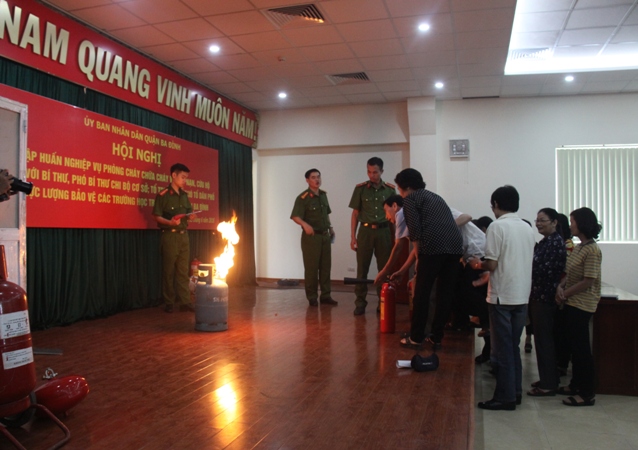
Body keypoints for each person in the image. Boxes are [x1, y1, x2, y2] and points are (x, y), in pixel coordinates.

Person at [470, 185, 535, 411]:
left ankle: (505, 397)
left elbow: (492, 264)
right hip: (521, 295)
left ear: (496, 204)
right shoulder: (526, 227)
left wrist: (476, 264)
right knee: (512, 347)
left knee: (502, 351)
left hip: (502, 297)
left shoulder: (497, 226)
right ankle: (514, 392)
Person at [394, 168, 463, 350]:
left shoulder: (410, 199)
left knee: (422, 294)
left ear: (406, 187)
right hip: (455, 247)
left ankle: (416, 337)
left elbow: (415, 230)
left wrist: (418, 256)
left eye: (399, 188)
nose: (400, 193)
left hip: (433, 247)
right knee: (445, 294)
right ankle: (436, 337)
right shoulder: (436, 197)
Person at [556, 207, 602, 407]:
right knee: (574, 348)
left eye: (572, 221)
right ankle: (575, 384)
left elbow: (588, 280)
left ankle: (586, 392)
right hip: (571, 301)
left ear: (582, 223)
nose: (570, 225)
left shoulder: (592, 250)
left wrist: (565, 293)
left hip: (582, 304)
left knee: (582, 350)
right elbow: (569, 273)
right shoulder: (579, 246)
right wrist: (560, 286)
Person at [349, 157, 396, 315]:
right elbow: (355, 214)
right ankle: (360, 303)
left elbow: (395, 216)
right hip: (365, 232)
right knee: (362, 268)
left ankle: (382, 302)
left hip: (384, 231)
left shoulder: (390, 190)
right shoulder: (360, 189)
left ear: (382, 171)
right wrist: (353, 237)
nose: (371, 175)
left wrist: (396, 238)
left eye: (375, 172)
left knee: (384, 268)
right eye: (369, 172)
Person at [527, 208, 566, 397]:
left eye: (542, 220)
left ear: (554, 222)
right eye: (537, 220)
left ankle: (548, 384)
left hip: (545, 298)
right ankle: (548, 379)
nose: (538, 224)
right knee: (542, 340)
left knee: (544, 341)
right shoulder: (545, 242)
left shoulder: (555, 243)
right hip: (538, 296)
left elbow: (540, 270)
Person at [153, 163, 197, 313]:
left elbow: (189, 212)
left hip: (184, 236)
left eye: (186, 178)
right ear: (174, 175)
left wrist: (191, 216)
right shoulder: (163, 195)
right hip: (170, 236)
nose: (185, 180)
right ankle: (169, 302)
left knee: (183, 271)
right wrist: (169, 222)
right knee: (168, 271)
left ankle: (185, 301)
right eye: (183, 177)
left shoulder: (184, 195)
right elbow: (156, 216)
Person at [290, 168, 337, 307]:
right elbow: (295, 216)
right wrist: (305, 225)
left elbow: (326, 214)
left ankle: (326, 295)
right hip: (311, 237)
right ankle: (312, 297)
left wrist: (330, 227)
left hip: (324, 236)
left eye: (318, 177)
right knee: (312, 268)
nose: (317, 180)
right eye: (313, 177)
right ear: (307, 180)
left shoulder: (323, 195)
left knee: (325, 267)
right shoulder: (303, 198)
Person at [373, 195, 413, 285]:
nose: (386, 217)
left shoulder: (401, 214)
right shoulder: (408, 215)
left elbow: (398, 247)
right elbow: (416, 250)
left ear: (394, 206)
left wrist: (384, 271)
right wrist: (402, 271)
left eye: (385, 211)